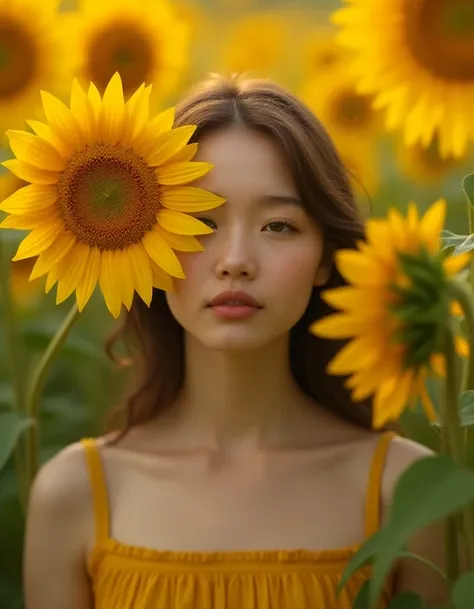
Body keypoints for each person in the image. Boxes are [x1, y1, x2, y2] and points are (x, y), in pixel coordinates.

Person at [23, 75, 446, 609]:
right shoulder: (75, 493)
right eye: (200, 223)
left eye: (278, 226)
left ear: (325, 258)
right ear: (142, 238)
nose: (236, 260)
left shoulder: (406, 489)